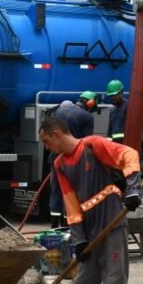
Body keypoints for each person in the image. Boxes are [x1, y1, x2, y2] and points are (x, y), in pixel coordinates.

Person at [38, 117, 141, 284]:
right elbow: (71, 204)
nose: (46, 147)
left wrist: (133, 189)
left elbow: (129, 155)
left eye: (46, 141)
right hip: (89, 231)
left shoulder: (93, 145)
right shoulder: (60, 164)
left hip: (112, 224)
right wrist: (79, 239)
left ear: (57, 134)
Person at [48, 93, 98, 227]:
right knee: (70, 191)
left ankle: (54, 226)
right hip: (72, 159)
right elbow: (87, 142)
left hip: (55, 156)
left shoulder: (59, 110)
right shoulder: (86, 116)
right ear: (90, 103)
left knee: (56, 189)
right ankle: (67, 225)